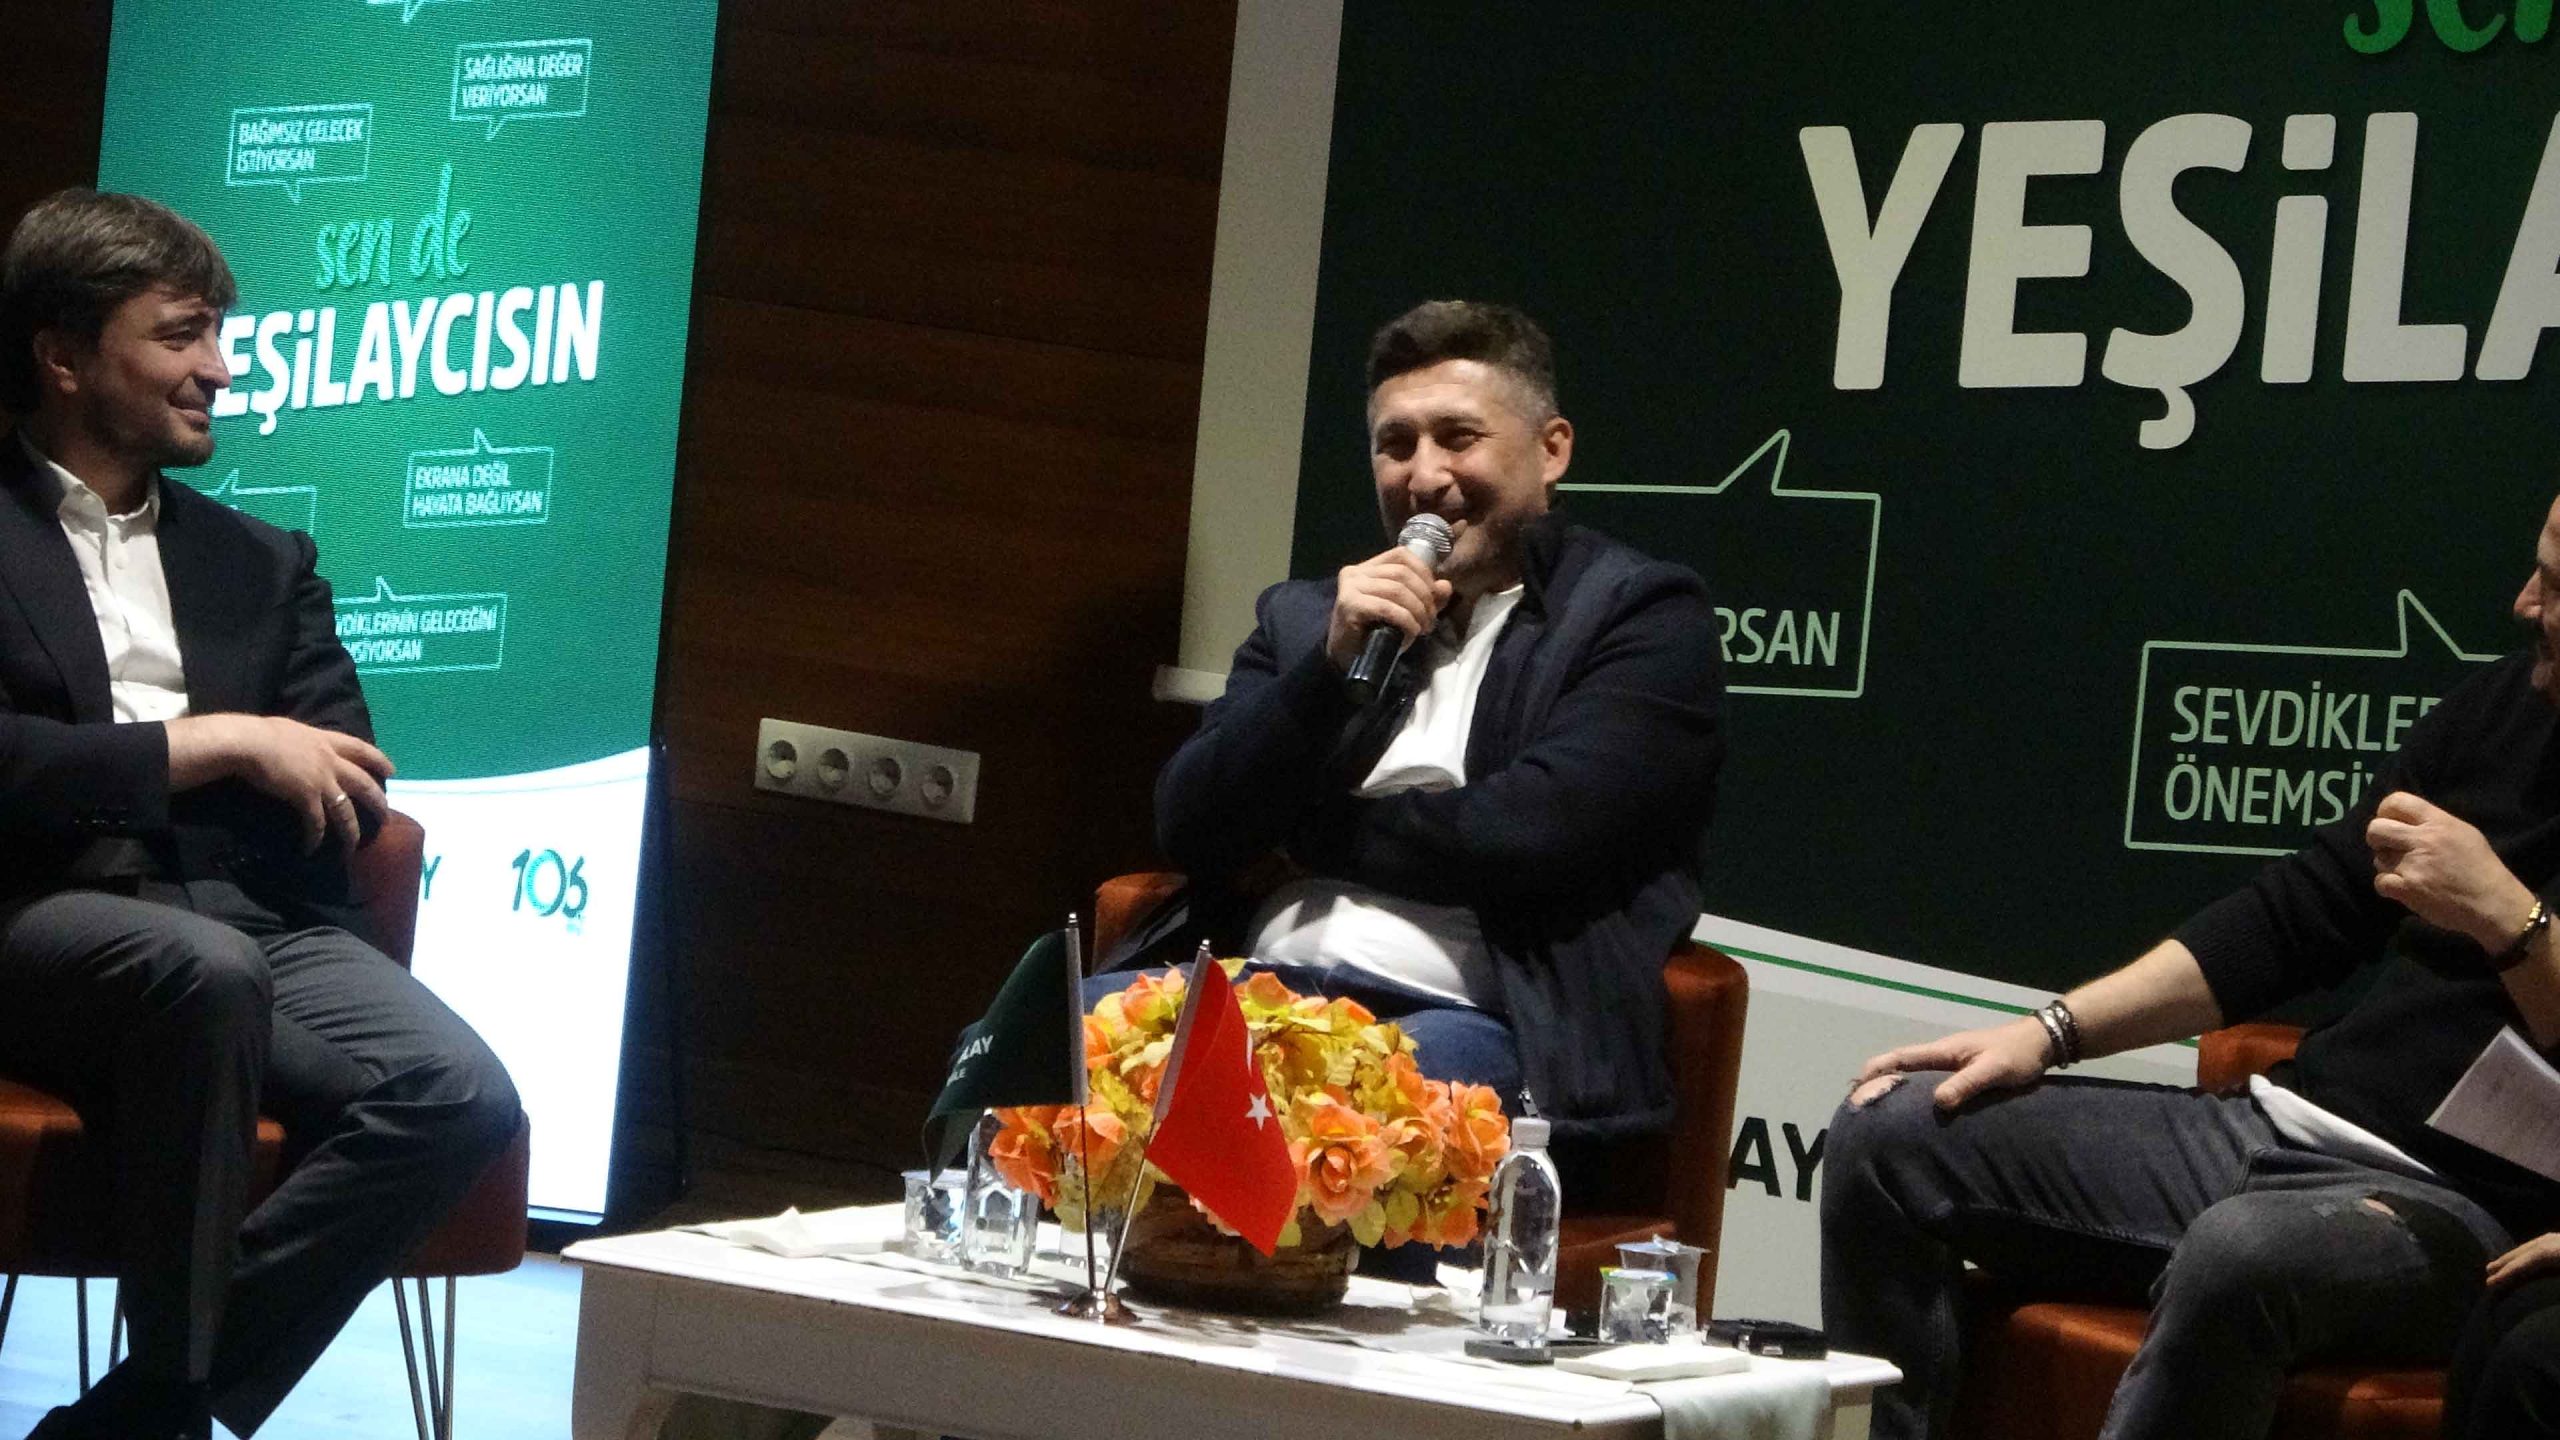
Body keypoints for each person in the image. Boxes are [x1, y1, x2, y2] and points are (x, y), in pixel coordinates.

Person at [1821, 494, 2560, 1440]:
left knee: (2237, 1252)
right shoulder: (2505, 709)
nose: (2523, 602)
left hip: (2469, 1216)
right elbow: (2300, 915)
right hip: (2285, 1127)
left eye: (2556, 585)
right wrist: (2050, 1033)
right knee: (1888, 1136)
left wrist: (2512, 919)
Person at [0, 189, 520, 1440]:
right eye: (181, 335)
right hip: (35, 912)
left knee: (458, 1094)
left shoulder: (263, 562)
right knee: (204, 971)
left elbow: (347, 776)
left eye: (221, 334)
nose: (221, 369)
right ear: (64, 356)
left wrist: (272, 776)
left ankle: (146, 1408)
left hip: (256, 918)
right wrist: (215, 744)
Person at [1141, 299, 1725, 1150]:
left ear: (1552, 450)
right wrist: (1326, 675)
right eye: (1396, 444)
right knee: (1043, 1058)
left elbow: (1530, 833)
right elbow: (1190, 824)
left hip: (1476, 1021)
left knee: (1331, 1125)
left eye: (1458, 438)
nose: (1423, 476)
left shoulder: (1639, 616)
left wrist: (1308, 837)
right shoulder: (1309, 619)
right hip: (1257, 990)